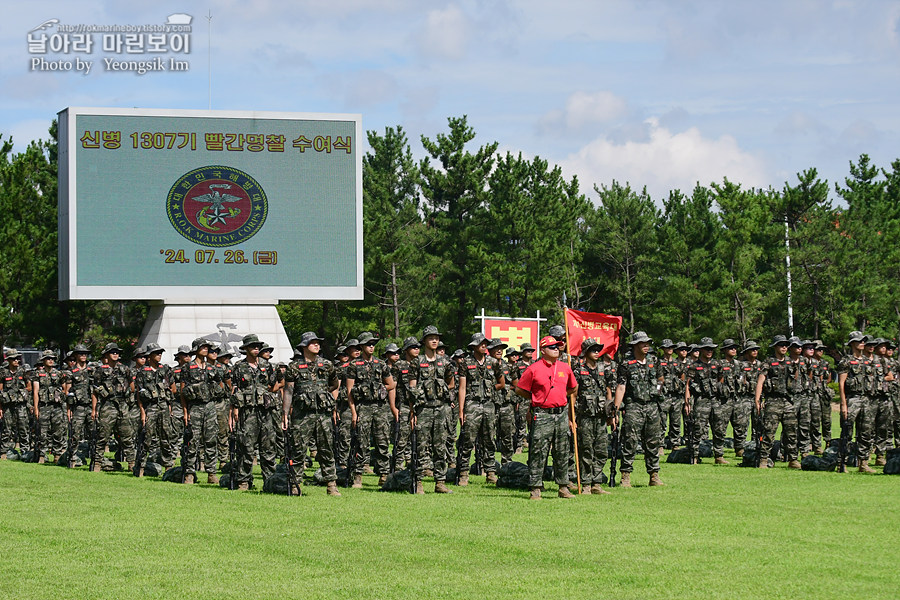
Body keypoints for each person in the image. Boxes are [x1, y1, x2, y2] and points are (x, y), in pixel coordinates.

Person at [516, 335, 577, 500]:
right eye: (552, 347)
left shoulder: (565, 367)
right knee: (538, 451)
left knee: (562, 451)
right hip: (542, 414)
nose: (556, 349)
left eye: (557, 346)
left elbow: (573, 388)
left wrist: (561, 398)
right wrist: (536, 398)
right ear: (543, 350)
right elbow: (520, 389)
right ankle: (535, 487)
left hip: (561, 413)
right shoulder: (533, 369)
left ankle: (563, 486)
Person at [283, 332, 341, 496]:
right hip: (302, 415)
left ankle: (331, 484)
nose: (316, 345)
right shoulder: (294, 366)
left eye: (318, 342)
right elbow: (288, 391)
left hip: (323, 414)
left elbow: (334, 383)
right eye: (312, 342)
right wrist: (285, 414)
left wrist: (322, 395)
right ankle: (295, 485)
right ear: (304, 347)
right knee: (298, 450)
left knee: (327, 449)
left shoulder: (327, 364)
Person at [614, 331, 665, 487]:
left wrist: (657, 391)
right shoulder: (626, 364)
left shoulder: (654, 360)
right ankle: (626, 476)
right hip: (633, 406)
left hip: (652, 406)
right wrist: (616, 409)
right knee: (629, 441)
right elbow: (621, 387)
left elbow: (660, 380)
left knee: (653, 442)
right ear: (635, 345)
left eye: (647, 343)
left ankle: (654, 475)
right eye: (643, 343)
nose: (646, 345)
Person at [230, 334, 280, 489]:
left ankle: (269, 481)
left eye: (258, 346)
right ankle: (244, 481)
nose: (256, 348)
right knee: (246, 446)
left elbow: (274, 385)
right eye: (253, 346)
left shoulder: (267, 365)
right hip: (247, 412)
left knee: (268, 447)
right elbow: (234, 389)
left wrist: (266, 397)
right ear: (245, 349)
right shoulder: (239, 366)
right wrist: (234, 411)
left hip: (265, 412)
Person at [346, 332, 396, 488]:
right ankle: (358, 476)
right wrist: (354, 413)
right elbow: (349, 391)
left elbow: (391, 384)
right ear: (361, 346)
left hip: (380, 408)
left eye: (373, 344)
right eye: (368, 344)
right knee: (361, 442)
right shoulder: (354, 365)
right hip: (363, 407)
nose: (372, 346)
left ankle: (383, 475)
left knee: (383, 441)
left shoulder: (380, 364)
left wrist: (380, 389)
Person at [410, 325, 455, 494]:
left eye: (436, 338)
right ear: (424, 341)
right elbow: (412, 387)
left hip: (441, 408)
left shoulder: (445, 362)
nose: (435, 340)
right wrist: (413, 411)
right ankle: (419, 480)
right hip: (423, 409)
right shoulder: (417, 362)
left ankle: (440, 481)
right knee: (422, 445)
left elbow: (451, 383)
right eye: (431, 338)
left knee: (440, 445)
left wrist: (444, 394)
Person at [457, 333, 505, 486]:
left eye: (485, 343)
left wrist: (489, 389)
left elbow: (501, 382)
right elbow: (462, 387)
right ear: (473, 346)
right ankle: (463, 473)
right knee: (468, 440)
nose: (484, 345)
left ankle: (490, 472)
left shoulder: (493, 362)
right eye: (481, 343)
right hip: (472, 404)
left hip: (489, 404)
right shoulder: (466, 362)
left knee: (489, 439)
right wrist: (461, 410)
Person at [177, 338, 224, 484]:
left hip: (209, 406)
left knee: (211, 439)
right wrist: (185, 411)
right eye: (203, 347)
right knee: (193, 440)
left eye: (207, 347)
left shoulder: (212, 368)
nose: (206, 349)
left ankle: (211, 473)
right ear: (196, 349)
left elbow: (220, 386)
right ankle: (189, 473)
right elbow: (182, 391)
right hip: (195, 407)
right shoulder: (187, 367)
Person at [572, 338, 613, 494]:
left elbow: (609, 390)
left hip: (601, 416)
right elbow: (574, 394)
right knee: (586, 450)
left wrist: (611, 412)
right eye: (593, 349)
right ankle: (586, 483)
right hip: (585, 416)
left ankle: (597, 482)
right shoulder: (578, 370)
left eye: (598, 349)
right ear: (586, 352)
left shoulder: (604, 369)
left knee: (602, 450)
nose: (596, 352)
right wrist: (572, 417)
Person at [90, 343, 135, 471]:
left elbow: (132, 386)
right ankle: (97, 463)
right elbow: (95, 391)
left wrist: (128, 396)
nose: (115, 354)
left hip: (122, 405)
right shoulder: (100, 371)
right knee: (103, 436)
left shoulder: (125, 369)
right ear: (106, 355)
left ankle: (131, 464)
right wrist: (94, 409)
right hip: (108, 405)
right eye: (112, 352)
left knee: (127, 436)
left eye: (117, 352)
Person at [755, 335, 796, 469]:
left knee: (791, 432)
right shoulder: (768, 362)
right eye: (781, 345)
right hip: (773, 401)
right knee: (769, 432)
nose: (784, 347)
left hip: (788, 401)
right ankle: (763, 459)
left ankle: (793, 459)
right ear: (775, 347)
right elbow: (761, 380)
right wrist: (758, 399)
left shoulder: (790, 362)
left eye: (785, 345)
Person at [134, 343, 176, 473]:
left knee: (166, 436)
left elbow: (173, 388)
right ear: (150, 355)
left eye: (160, 353)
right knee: (146, 437)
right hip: (150, 407)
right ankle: (140, 467)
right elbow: (139, 394)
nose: (159, 355)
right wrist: (142, 412)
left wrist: (169, 406)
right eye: (156, 353)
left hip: (163, 406)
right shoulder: (142, 371)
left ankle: (168, 467)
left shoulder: (165, 369)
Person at [684, 337, 719, 464]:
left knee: (718, 428)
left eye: (711, 349)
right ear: (702, 350)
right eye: (707, 349)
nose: (709, 351)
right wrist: (687, 403)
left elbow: (722, 380)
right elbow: (688, 385)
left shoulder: (717, 365)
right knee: (698, 429)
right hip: (701, 400)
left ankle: (719, 456)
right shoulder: (694, 366)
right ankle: (694, 456)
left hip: (715, 400)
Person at [31, 350, 66, 463]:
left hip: (56, 406)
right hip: (44, 406)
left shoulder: (59, 373)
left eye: (52, 358)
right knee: (42, 432)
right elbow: (35, 392)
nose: (51, 360)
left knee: (58, 431)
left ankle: (57, 455)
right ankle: (42, 455)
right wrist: (36, 408)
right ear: (43, 360)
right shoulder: (38, 374)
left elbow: (65, 389)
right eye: (48, 358)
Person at [712, 339, 741, 464]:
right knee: (720, 428)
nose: (733, 350)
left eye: (735, 347)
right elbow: (716, 381)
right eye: (730, 348)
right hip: (723, 400)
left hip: (737, 398)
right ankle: (719, 454)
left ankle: (740, 449)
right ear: (724, 350)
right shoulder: (719, 364)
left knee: (740, 425)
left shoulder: (739, 364)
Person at [0, 349, 32, 457]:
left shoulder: (22, 371)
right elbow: (0, 390)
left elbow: (29, 386)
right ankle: (3, 452)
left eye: (17, 358)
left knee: (23, 427)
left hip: (21, 405)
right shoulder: (3, 372)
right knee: (6, 429)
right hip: (7, 406)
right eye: (13, 359)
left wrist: (21, 392)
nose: (16, 360)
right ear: (8, 360)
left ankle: (25, 452)